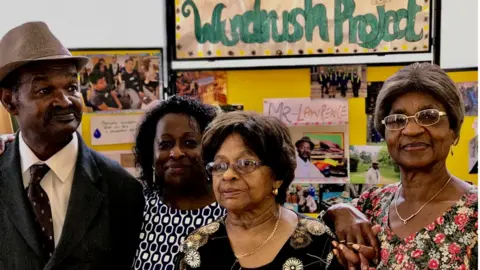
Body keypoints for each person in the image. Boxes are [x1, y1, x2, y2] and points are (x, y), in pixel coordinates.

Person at [0, 22, 145, 269]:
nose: (65, 101)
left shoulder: (121, 187)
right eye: (44, 90)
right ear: (10, 102)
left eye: (72, 87)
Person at [325, 63, 478, 269]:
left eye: (429, 116)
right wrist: (339, 210)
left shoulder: (474, 213)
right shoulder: (370, 205)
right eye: (397, 120)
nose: (412, 130)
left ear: (454, 131)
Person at [175, 111, 343, 269]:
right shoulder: (197, 245)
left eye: (245, 164)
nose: (227, 175)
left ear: (277, 177)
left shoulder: (319, 242)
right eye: (219, 165)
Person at [131, 96, 226, 270]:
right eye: (165, 144)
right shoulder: (136, 207)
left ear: (211, 148)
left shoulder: (231, 209)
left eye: (189, 143)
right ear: (150, 152)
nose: (176, 153)